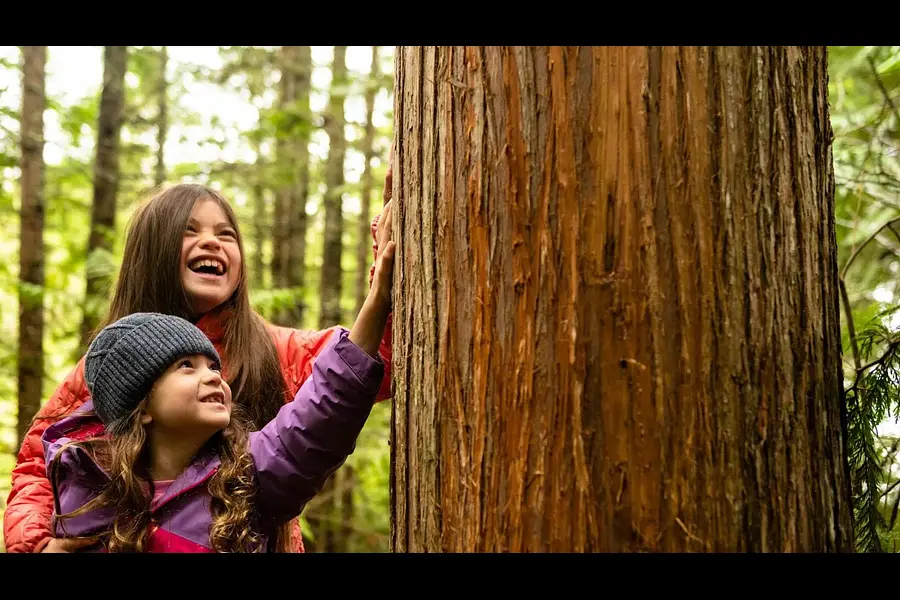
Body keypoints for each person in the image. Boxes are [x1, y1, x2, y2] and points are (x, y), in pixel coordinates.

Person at [4, 170, 395, 553]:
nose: (212, 243)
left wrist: (391, 250)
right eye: (189, 231)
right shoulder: (110, 363)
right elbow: (42, 463)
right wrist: (40, 543)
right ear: (152, 253)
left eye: (226, 234)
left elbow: (363, 367)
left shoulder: (275, 350)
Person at [46, 306, 389, 552]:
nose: (213, 375)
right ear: (142, 406)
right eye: (186, 366)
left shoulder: (250, 472)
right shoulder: (90, 498)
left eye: (213, 365)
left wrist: (377, 298)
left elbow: (325, 406)